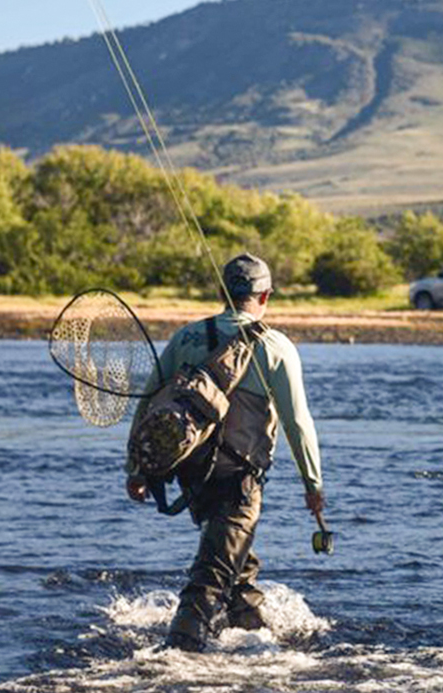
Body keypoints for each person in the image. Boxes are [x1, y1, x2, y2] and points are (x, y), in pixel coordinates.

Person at [125, 253, 325, 652]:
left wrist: (137, 469)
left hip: (191, 476)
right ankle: (178, 651)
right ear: (265, 296)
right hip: (240, 480)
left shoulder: (185, 337)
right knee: (211, 576)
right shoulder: (275, 347)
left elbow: (147, 404)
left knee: (236, 564)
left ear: (222, 292)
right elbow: (297, 424)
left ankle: (252, 631)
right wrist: (313, 485)